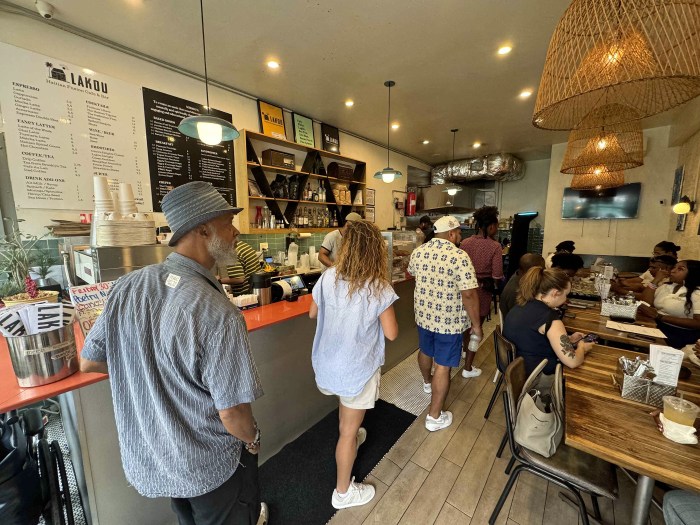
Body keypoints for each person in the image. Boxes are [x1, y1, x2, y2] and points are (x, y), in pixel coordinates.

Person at [80, 182, 268, 525]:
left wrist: (144, 365)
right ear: (204, 229)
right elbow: (233, 412)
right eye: (229, 222)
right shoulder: (219, 313)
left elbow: (90, 360)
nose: (236, 232)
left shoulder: (127, 286)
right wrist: (253, 440)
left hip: (159, 455)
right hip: (209, 464)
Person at [309, 220, 398, 509]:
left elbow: (312, 313)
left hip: (327, 363)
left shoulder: (328, 276)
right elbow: (392, 333)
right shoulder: (378, 287)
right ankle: (343, 492)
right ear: (375, 250)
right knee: (347, 432)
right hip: (355, 367)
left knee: (347, 417)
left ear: (346, 248)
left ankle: (352, 434)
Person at [408, 216, 482, 432]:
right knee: (443, 365)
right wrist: (476, 325)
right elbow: (468, 294)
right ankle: (434, 417)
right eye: (459, 233)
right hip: (448, 322)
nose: (460, 237)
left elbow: (412, 273)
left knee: (425, 350)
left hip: (424, 316)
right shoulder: (459, 256)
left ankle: (427, 382)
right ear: (451, 233)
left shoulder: (419, 251)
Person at [503, 267, 593, 376]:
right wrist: (582, 347)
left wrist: (569, 339)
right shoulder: (550, 319)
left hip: (516, 371)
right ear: (555, 293)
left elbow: (531, 339)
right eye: (566, 295)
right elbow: (573, 362)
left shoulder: (519, 306)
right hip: (538, 377)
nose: (566, 299)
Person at [459, 206, 504, 378]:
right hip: (482, 292)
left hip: (464, 290)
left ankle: (464, 351)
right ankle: (468, 368)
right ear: (491, 226)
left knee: (465, 325)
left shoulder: (465, 243)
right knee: (476, 329)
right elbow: (497, 274)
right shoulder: (495, 246)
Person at [639, 260, 700, 346]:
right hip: (657, 326)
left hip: (679, 334)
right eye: (674, 267)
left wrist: (660, 317)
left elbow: (698, 323)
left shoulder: (697, 292)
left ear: (692, 273)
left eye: (680, 269)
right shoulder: (667, 286)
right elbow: (645, 303)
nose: (673, 270)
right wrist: (656, 280)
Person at [500, 253, 545, 321]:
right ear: (531, 272)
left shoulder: (519, 276)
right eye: (540, 271)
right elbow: (518, 318)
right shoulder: (515, 290)